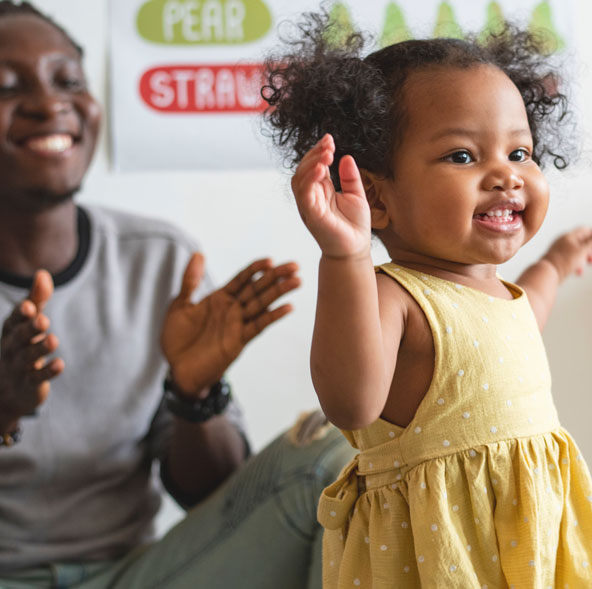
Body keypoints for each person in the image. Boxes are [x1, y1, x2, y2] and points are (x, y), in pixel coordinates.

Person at [264, 11, 592, 588]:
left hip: (535, 550)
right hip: (444, 560)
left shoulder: (496, 291)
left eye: (520, 153)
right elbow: (352, 401)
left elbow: (521, 321)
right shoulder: (395, 295)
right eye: (463, 156)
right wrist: (346, 256)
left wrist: (556, 265)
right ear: (377, 197)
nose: (505, 176)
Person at [0, 3, 354, 588]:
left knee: (334, 457)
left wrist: (194, 393)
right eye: (8, 88)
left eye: (68, 81)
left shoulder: (158, 260)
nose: (48, 104)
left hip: (137, 575)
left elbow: (213, 497)